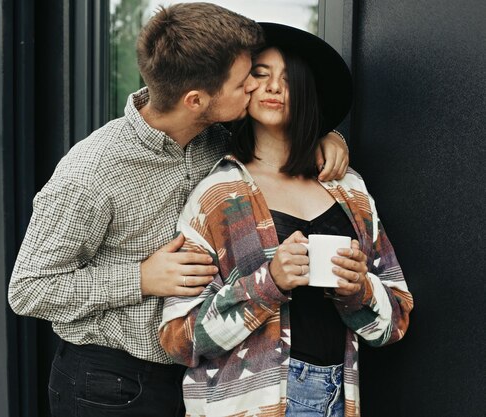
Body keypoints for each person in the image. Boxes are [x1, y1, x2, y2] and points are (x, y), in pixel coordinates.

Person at [8, 4, 349, 416]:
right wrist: (140, 279)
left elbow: (278, 135)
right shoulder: (91, 173)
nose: (255, 91)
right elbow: (28, 289)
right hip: (109, 385)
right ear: (196, 99)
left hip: (200, 376)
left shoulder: (218, 136)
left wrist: (325, 137)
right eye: (245, 83)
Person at [159, 22, 414, 417]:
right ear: (243, 89)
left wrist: (357, 290)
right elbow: (179, 338)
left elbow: (396, 321)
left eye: (288, 79)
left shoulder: (349, 189)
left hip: (338, 397)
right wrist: (270, 282)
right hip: (249, 404)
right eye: (260, 76)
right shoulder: (217, 197)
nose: (274, 87)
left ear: (308, 94)